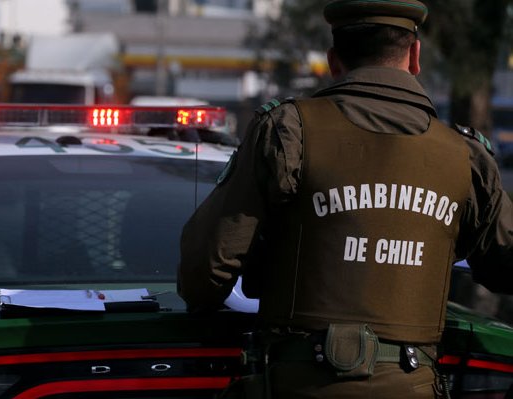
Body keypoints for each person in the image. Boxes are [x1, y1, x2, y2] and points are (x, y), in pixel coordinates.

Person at [177, 0, 513, 398]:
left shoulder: (288, 132)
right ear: (416, 55)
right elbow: (504, 266)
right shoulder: (465, 156)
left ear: (333, 60)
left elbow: (205, 272)